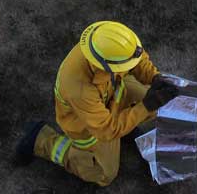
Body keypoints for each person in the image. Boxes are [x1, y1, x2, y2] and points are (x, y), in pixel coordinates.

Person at [15, 21, 179, 187]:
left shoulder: (108, 43)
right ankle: (41, 140)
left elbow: (136, 59)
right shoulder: (79, 88)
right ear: (106, 67)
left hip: (110, 94)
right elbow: (106, 129)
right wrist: (144, 106)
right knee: (104, 174)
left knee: (156, 104)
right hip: (86, 125)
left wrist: (154, 77)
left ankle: (125, 126)